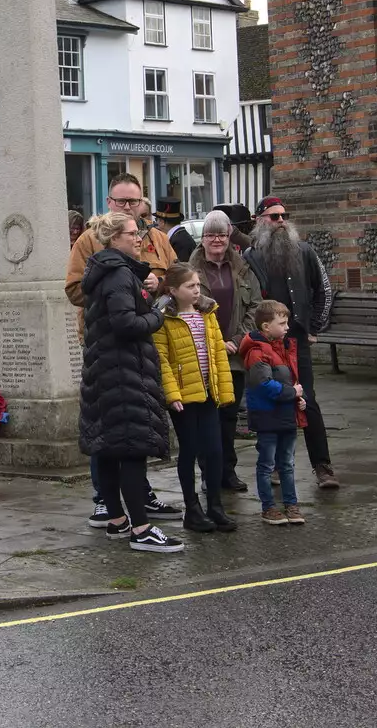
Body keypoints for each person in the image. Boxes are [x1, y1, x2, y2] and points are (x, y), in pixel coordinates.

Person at [66, 173, 181, 527]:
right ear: (109, 203)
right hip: (112, 342)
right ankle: (106, 501)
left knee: (139, 425)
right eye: (121, 201)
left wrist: (155, 283)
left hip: (151, 339)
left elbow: (179, 279)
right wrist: (125, 291)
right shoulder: (90, 240)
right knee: (112, 425)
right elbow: (73, 290)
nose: (129, 207)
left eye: (134, 201)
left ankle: (139, 497)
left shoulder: (158, 238)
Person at [244, 196, 338, 490]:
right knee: (272, 401)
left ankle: (322, 467)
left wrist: (315, 326)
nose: (281, 221)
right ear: (260, 221)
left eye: (284, 215)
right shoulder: (250, 256)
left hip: (296, 338)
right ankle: (272, 467)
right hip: (265, 342)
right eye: (274, 217)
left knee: (306, 399)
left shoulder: (304, 251)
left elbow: (323, 288)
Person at [152, 263, 236, 534]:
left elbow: (218, 354)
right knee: (189, 451)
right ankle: (193, 508)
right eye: (190, 286)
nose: (196, 290)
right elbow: (161, 359)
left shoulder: (208, 312)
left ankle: (215, 505)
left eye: (198, 284)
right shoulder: (163, 318)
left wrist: (224, 390)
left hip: (208, 391)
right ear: (174, 290)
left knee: (214, 451)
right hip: (184, 397)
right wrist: (172, 394)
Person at [189, 209, 261, 493]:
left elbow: (255, 305)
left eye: (221, 234)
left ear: (229, 236)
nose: (216, 239)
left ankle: (228, 472)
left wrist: (238, 338)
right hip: (204, 355)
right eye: (210, 234)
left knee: (229, 417)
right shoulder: (189, 270)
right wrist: (217, 342)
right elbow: (187, 308)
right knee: (207, 418)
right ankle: (209, 474)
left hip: (234, 356)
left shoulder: (243, 267)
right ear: (202, 239)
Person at [241, 301, 304, 525]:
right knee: (267, 464)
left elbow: (287, 379)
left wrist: (298, 398)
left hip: (285, 415)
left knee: (286, 463)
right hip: (267, 416)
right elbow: (264, 385)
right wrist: (292, 392)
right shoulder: (257, 352)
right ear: (266, 326)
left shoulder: (282, 347)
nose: (287, 327)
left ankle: (291, 505)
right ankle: (268, 507)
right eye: (282, 323)